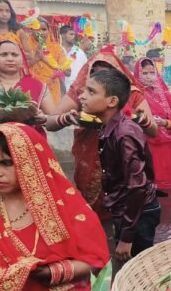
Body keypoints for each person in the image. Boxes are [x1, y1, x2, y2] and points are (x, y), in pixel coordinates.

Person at [0, 124, 109, 291]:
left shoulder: (65, 205)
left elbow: (97, 261)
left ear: (30, 162)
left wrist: (53, 272)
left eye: (6, 163)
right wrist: (0, 281)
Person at [51, 46, 155, 216]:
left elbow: (153, 131)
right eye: (96, 73)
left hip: (123, 158)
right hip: (90, 156)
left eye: (107, 73)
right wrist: (66, 119)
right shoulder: (83, 92)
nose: (101, 78)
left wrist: (140, 120)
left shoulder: (132, 93)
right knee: (94, 213)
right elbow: (51, 122)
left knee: (127, 208)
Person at [80, 69, 160, 262]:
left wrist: (127, 236)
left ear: (112, 101)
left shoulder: (125, 133)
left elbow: (137, 185)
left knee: (138, 267)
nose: (82, 96)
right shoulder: (109, 126)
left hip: (138, 212)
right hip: (128, 209)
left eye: (91, 92)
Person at [135, 57, 171, 190]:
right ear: (138, 74)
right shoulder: (135, 96)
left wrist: (164, 123)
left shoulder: (165, 94)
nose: (149, 76)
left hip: (168, 146)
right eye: (145, 73)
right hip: (148, 146)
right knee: (154, 185)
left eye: (152, 72)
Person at [0, 40, 54, 136]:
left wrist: (43, 118)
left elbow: (54, 119)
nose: (10, 59)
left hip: (29, 139)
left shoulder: (38, 85)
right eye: (4, 54)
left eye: (15, 55)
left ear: (22, 59)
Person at [26, 18, 69, 105]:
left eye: (44, 29)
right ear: (31, 30)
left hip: (52, 88)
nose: (41, 32)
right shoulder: (25, 47)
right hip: (31, 88)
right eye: (37, 29)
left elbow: (68, 72)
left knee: (51, 112)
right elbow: (19, 68)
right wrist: (36, 59)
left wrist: (58, 70)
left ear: (49, 31)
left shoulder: (57, 48)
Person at [60, 25, 88, 91]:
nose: (73, 37)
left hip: (76, 89)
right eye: (71, 34)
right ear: (63, 35)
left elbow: (86, 70)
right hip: (59, 88)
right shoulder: (56, 50)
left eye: (74, 35)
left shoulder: (80, 52)